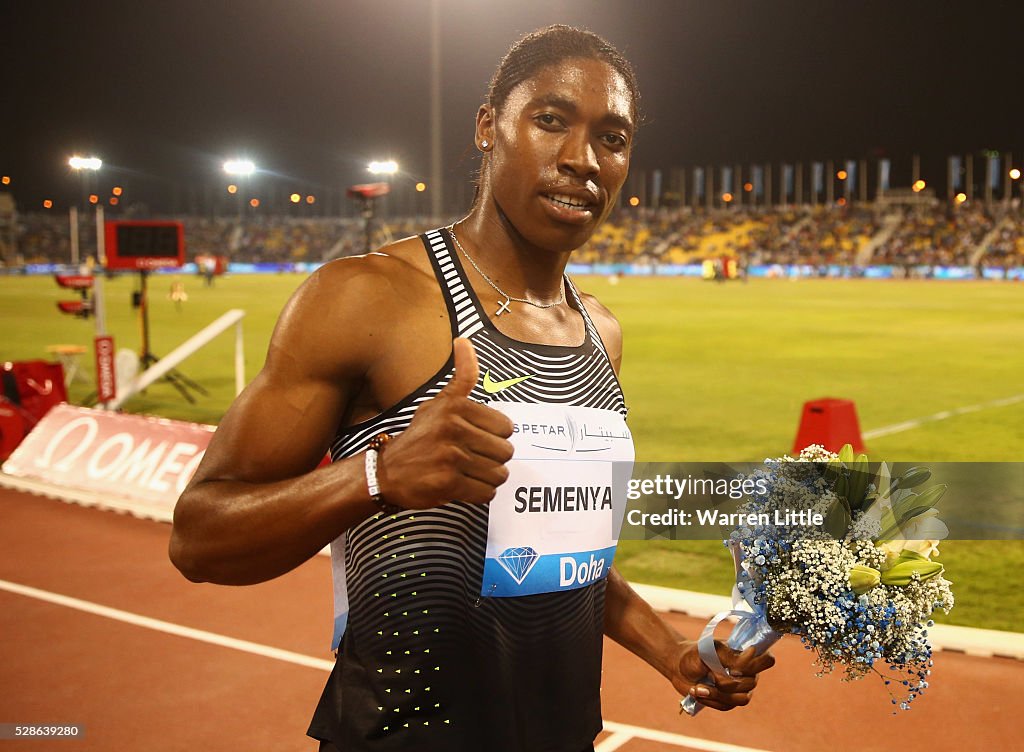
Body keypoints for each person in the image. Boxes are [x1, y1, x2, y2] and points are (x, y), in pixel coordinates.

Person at [169, 24, 774, 752]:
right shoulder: (368, 299)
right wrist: (376, 476)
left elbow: (557, 550)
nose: (583, 159)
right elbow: (198, 537)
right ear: (489, 127)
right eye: (551, 120)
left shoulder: (601, 333)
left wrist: (669, 651)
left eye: (612, 138)